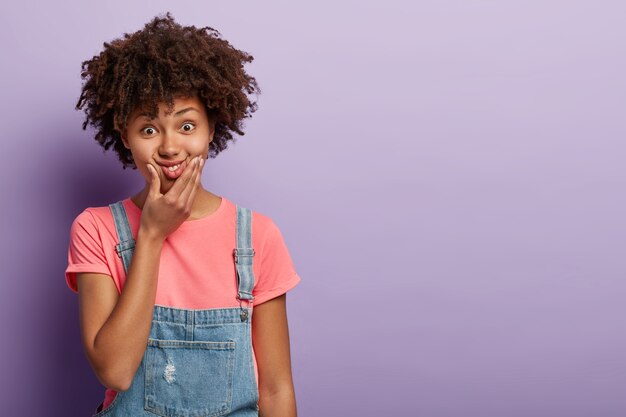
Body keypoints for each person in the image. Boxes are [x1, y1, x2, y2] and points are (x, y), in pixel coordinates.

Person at [65, 12, 301, 417]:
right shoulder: (97, 229)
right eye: (149, 129)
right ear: (126, 137)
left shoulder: (257, 235)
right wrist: (153, 235)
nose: (171, 147)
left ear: (212, 127)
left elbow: (276, 390)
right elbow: (116, 372)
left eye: (187, 126)